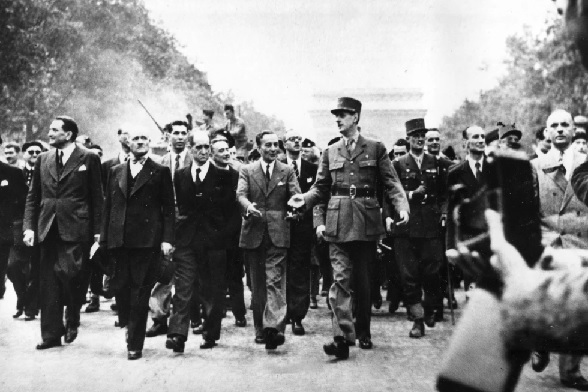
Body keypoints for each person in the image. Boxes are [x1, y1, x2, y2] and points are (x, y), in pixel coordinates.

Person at [288, 97, 409, 359]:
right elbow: (320, 188)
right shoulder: (330, 151)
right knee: (339, 280)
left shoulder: (376, 148)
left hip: (365, 220)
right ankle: (341, 337)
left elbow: (391, 182)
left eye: (342, 115)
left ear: (355, 117)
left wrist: (402, 206)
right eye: (336, 115)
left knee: (363, 280)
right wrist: (304, 200)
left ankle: (363, 330)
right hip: (337, 220)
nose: (338, 120)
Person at [23, 116, 103, 350]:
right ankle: (50, 335)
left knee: (71, 275)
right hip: (46, 227)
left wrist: (98, 232)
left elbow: (97, 197)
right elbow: (33, 195)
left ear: (68, 135)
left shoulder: (88, 157)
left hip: (77, 228)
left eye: (54, 130)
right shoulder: (42, 158)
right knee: (48, 281)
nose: (49, 133)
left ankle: (73, 313)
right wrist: (29, 227)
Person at [101, 128, 174, 360]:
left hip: (146, 242)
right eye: (136, 138)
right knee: (120, 289)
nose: (140, 142)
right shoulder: (116, 171)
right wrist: (102, 239)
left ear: (150, 143)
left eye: (144, 138)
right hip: (118, 240)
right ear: (127, 143)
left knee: (140, 292)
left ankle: (135, 343)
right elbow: (108, 206)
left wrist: (167, 239)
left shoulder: (160, 171)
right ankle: (128, 326)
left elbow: (168, 209)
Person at [529, 109, 588, 390]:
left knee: (578, 308)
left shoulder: (586, 165)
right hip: (549, 242)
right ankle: (541, 343)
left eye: (566, 125)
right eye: (555, 126)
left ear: (574, 131)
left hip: (580, 244)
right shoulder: (535, 166)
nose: (561, 129)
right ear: (547, 133)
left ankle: (571, 372)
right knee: (549, 305)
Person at [166, 132, 234, 352]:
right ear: (190, 148)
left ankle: (210, 333)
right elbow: (178, 207)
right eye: (199, 147)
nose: (204, 152)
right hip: (186, 240)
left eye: (207, 147)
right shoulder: (181, 175)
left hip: (214, 241)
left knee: (212, 289)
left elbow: (230, 213)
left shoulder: (225, 176)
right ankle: (177, 334)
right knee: (184, 287)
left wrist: (224, 238)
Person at [237, 130, 300, 350]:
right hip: (253, 232)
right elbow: (241, 195)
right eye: (268, 145)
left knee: (274, 281)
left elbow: (295, 195)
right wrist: (248, 206)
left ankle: (273, 328)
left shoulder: (287, 170)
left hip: (278, 231)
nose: (273, 149)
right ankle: (259, 330)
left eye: (276, 145)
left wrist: (293, 208)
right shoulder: (247, 170)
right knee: (257, 285)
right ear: (259, 147)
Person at [390, 118, 448, 338]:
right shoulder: (398, 164)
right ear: (408, 139)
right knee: (409, 275)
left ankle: (431, 305)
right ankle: (417, 320)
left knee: (433, 269)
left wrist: (443, 212)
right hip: (406, 227)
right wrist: (391, 215)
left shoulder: (437, 162)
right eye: (415, 136)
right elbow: (391, 194)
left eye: (422, 135)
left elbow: (444, 195)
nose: (420, 139)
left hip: (431, 226)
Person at [146, 120, 193, 337]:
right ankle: (158, 317)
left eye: (184, 133)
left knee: (189, 273)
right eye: (176, 133)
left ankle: (192, 316)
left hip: (190, 225)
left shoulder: (197, 160)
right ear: (168, 136)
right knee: (161, 272)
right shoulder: (158, 162)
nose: (180, 137)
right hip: (164, 224)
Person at [445, 126, 488, 299]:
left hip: (492, 235)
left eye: (483, 136)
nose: (480, 140)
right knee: (472, 289)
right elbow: (451, 212)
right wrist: (450, 246)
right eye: (476, 137)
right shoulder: (455, 173)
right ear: (465, 143)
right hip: (468, 239)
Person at [282, 129, 318, 335]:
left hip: (303, 228)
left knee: (300, 271)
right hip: (282, 226)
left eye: (299, 139)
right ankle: (283, 311)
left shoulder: (313, 169)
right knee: (281, 270)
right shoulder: (278, 166)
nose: (296, 143)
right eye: (292, 140)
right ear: (284, 144)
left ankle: (297, 315)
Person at [209, 136, 247, 327]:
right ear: (212, 153)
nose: (225, 154)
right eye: (220, 151)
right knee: (215, 277)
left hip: (233, 233)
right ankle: (217, 313)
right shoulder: (208, 175)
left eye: (227, 150)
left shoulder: (236, 175)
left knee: (235, 276)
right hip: (214, 235)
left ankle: (239, 313)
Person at [6, 141, 43, 320]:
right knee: (12, 266)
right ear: (24, 154)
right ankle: (22, 296)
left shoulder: (48, 171)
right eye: (31, 151)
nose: (35, 154)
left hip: (43, 224)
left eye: (38, 151)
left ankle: (31, 306)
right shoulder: (16, 173)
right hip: (19, 223)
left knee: (36, 268)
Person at [0, 137, 29, 303]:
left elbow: (25, 202)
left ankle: (25, 298)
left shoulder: (12, 173)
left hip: (5, 232)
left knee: (11, 269)